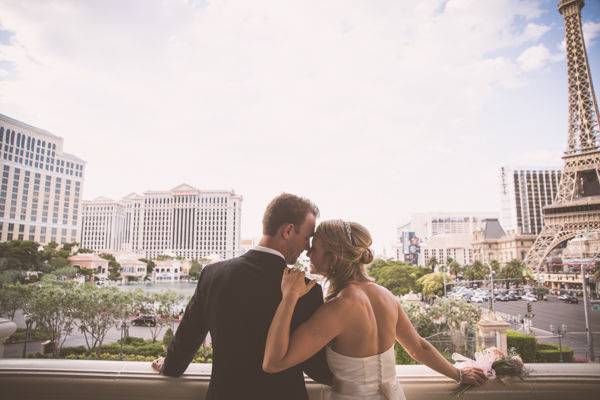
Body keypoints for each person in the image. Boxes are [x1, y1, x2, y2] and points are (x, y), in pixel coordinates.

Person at [263, 220, 487, 400]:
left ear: (333, 258)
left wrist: (290, 296)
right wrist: (457, 373)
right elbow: (418, 347)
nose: (308, 253)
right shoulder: (386, 295)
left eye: (314, 248)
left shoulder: (338, 308)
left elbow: (274, 363)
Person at [151, 193, 332, 400]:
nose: (307, 247)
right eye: (307, 237)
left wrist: (169, 366)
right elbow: (316, 367)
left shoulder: (212, 275)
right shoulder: (307, 290)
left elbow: (186, 341)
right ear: (288, 231)